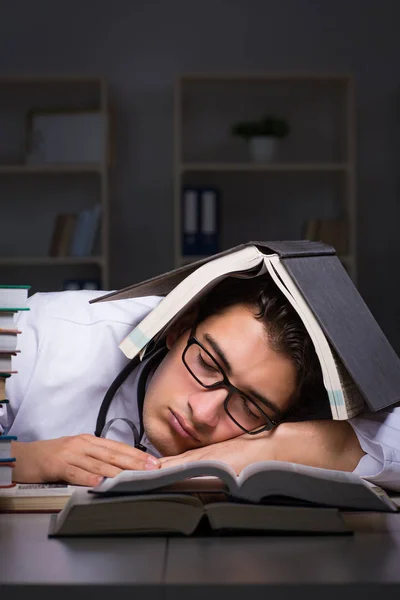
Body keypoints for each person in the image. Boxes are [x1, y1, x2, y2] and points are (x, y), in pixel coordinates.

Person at [2, 275, 399, 490]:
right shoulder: (39, 332)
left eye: (250, 406)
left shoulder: (283, 417)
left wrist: (284, 444)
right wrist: (28, 459)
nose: (204, 413)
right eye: (208, 363)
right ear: (177, 329)